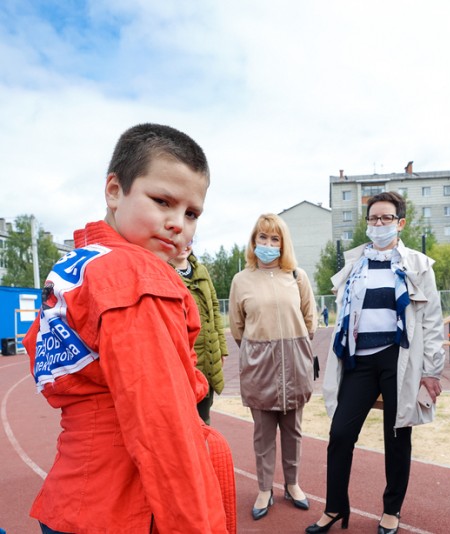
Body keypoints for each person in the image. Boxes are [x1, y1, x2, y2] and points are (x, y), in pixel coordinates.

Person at [22, 123, 229, 532]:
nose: (178, 223)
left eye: (192, 213)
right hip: (126, 506)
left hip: (74, 496)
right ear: (114, 190)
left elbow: (40, 355)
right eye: (162, 200)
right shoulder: (135, 278)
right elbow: (163, 431)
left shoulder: (75, 269)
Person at [308, 191, 445, 534]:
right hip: (360, 359)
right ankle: (336, 507)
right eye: (373, 219)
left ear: (400, 223)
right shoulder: (355, 264)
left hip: (398, 358)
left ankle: (391, 509)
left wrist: (431, 370)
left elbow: (431, 320)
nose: (378, 224)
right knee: (340, 433)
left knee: (397, 435)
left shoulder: (417, 264)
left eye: (386, 218)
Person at [229, 213, 317, 520]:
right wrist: (260, 353)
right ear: (254, 242)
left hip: (294, 365)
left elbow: (310, 319)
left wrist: (295, 351)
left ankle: (292, 484)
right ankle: (264, 488)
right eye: (262, 238)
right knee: (263, 434)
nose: (268, 244)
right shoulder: (241, 281)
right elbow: (238, 328)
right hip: (260, 368)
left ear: (283, 243)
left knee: (293, 431)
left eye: (274, 238)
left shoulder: (297, 277)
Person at [169, 244, 229, 424]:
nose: (183, 245)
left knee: (204, 417)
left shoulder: (201, 271)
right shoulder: (163, 272)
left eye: (188, 240)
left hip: (208, 356)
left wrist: (221, 349)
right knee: (183, 418)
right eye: (177, 241)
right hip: (183, 357)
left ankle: (205, 451)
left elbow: (215, 308)